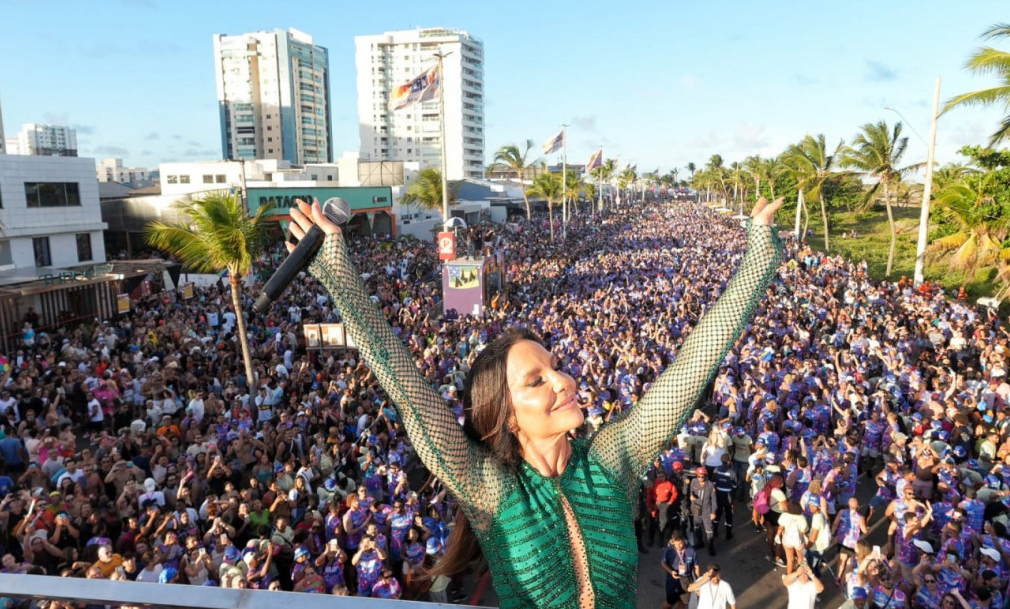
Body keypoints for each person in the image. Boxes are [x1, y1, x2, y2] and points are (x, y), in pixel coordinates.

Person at [286, 196, 784, 609]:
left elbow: (693, 363)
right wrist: (337, 268)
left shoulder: (611, 459)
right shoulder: (490, 489)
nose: (563, 381)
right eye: (536, 380)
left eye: (556, 366)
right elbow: (407, 389)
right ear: (505, 415)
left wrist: (758, 252)